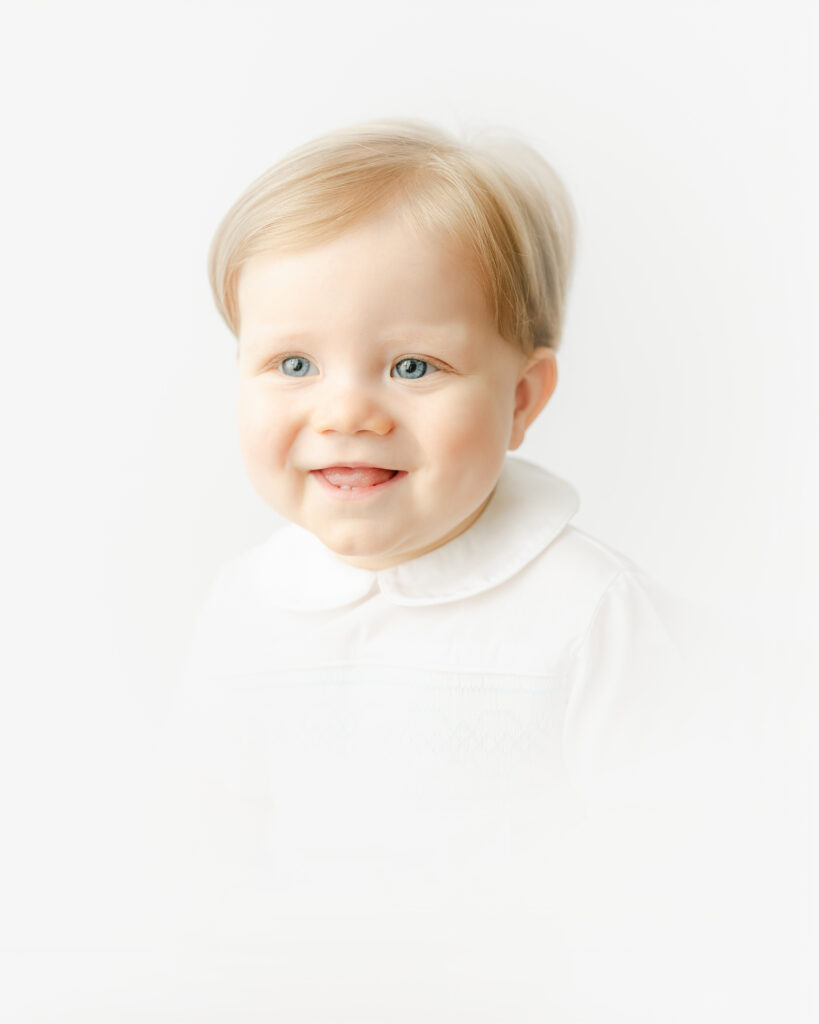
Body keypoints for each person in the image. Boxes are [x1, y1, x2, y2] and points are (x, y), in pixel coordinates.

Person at [161, 118, 732, 1020]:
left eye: (412, 365)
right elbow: (204, 830)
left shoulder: (585, 609)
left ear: (520, 398)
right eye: (293, 363)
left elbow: (675, 845)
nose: (346, 408)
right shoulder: (246, 605)